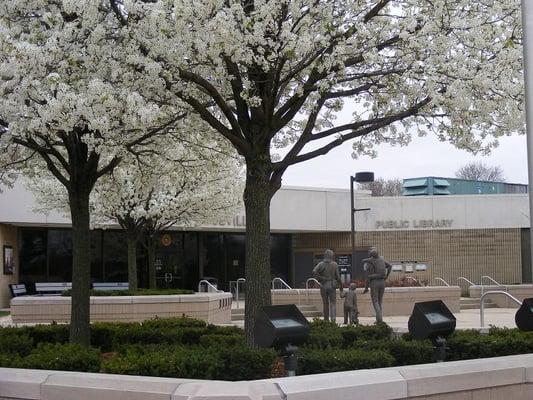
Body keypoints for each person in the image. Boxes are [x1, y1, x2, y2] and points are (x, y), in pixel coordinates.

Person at [362, 247, 392, 324]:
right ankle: (378, 318)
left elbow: (367, 277)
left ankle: (379, 318)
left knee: (375, 301)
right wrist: (387, 276)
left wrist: (366, 288)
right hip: (382, 282)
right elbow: (390, 266)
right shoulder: (381, 260)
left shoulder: (368, 264)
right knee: (379, 302)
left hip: (374, 283)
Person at [312, 249, 343, 322]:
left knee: (325, 304)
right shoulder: (334, 264)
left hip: (323, 285)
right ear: (330, 256)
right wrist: (341, 287)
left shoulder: (321, 264)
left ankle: (326, 320)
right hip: (332, 285)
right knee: (333, 303)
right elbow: (338, 277)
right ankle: (333, 320)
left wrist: (321, 278)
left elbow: (314, 271)